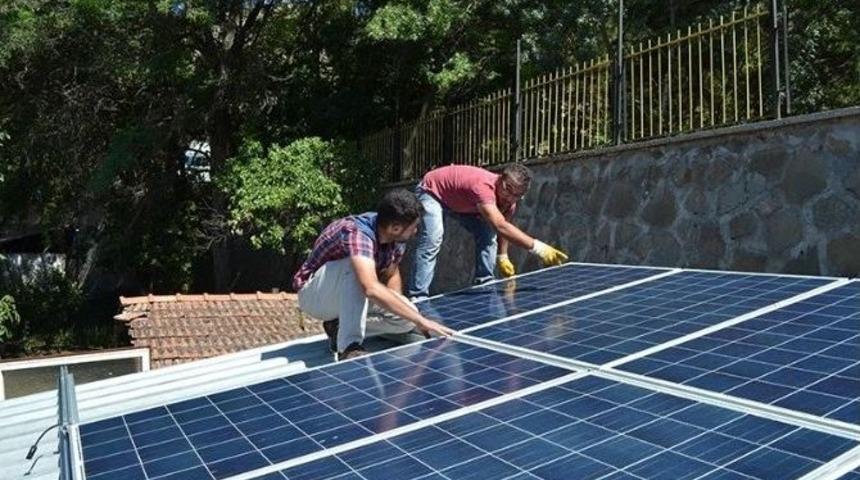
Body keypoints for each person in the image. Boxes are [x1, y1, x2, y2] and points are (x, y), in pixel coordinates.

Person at [293, 189, 454, 361]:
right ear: (395, 228)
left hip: (351, 295)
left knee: (408, 318)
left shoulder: (395, 238)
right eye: (414, 227)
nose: (415, 232)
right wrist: (422, 321)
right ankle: (349, 346)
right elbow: (370, 287)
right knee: (356, 267)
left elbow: (391, 274)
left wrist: (409, 315)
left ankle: (338, 328)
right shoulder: (357, 233)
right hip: (315, 296)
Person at [406, 163, 568, 300]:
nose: (510, 197)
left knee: (487, 234)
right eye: (507, 189)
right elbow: (500, 225)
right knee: (433, 237)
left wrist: (503, 256)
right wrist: (539, 248)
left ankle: (484, 282)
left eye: (517, 195)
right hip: (433, 191)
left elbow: (504, 227)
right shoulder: (482, 187)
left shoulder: (509, 202)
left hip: (462, 203)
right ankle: (418, 296)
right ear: (500, 179)